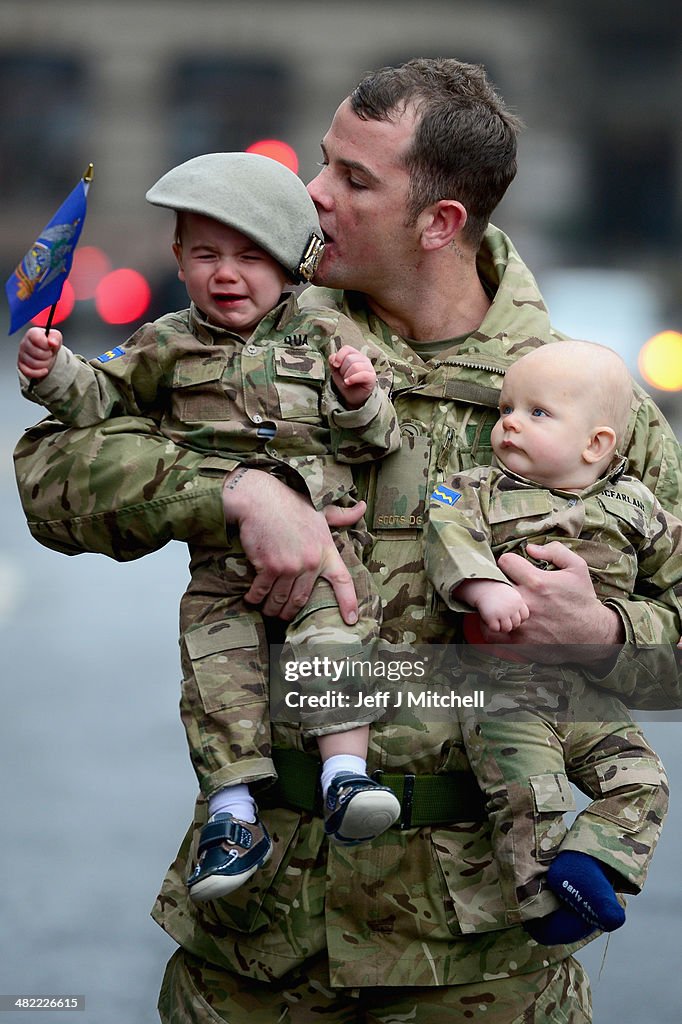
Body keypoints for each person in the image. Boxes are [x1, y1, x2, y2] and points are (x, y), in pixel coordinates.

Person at [13, 58, 682, 1022]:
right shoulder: (259, 339)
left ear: (441, 223)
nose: (314, 194)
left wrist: (604, 633)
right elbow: (52, 471)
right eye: (325, 163)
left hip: (484, 961)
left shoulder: (577, 404)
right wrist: (236, 491)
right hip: (264, 934)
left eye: (354, 179)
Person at [16, 151, 403, 902]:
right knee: (216, 683)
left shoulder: (324, 341)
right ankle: (233, 818)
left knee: (333, 643)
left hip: (323, 555)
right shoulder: (166, 342)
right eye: (206, 255)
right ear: (178, 261)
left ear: (292, 263)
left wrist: (360, 398)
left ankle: (346, 778)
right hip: (222, 565)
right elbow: (103, 398)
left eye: (250, 256)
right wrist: (53, 372)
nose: (227, 274)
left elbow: (373, 443)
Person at [425, 339, 679, 945]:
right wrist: (484, 586)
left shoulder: (636, 503)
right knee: (528, 797)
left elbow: (674, 575)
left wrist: (602, 627)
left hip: (588, 695)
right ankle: (542, 904)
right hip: (503, 689)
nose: (510, 421)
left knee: (643, 779)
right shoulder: (474, 486)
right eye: (506, 409)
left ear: (596, 444)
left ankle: (590, 864)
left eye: (537, 413)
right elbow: (447, 527)